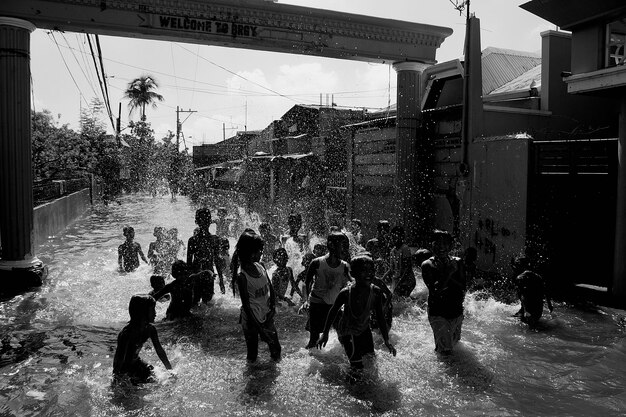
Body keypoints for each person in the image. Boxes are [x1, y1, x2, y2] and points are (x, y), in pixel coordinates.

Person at [316, 254, 396, 370]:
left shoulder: (376, 292)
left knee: (371, 361)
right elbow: (333, 311)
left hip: (364, 329)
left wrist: (387, 340)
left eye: (371, 270)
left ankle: (365, 386)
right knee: (357, 366)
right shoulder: (345, 293)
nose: (369, 273)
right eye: (364, 270)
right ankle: (350, 385)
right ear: (353, 274)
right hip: (348, 331)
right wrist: (325, 334)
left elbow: (380, 317)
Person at [233, 231, 281, 362]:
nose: (262, 253)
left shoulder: (261, 266)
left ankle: (272, 378)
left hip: (266, 314)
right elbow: (247, 306)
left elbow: (270, 288)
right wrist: (260, 329)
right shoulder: (242, 276)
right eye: (260, 250)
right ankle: (252, 381)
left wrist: (272, 307)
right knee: (253, 355)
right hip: (251, 320)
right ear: (250, 252)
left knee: (276, 349)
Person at [302, 232, 351, 349]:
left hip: (335, 305)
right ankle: (307, 362)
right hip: (317, 304)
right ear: (331, 245)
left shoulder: (345, 266)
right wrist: (306, 301)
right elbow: (306, 283)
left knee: (343, 337)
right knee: (314, 339)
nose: (346, 249)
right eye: (343, 245)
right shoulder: (317, 263)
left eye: (346, 246)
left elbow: (352, 278)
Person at [421, 230, 466, 355]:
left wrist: (449, 274)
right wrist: (448, 273)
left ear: (450, 246)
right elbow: (435, 291)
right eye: (437, 243)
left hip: (456, 312)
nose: (441, 247)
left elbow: (463, 287)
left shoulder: (458, 262)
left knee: (455, 344)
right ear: (431, 244)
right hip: (438, 313)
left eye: (445, 243)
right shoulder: (428, 265)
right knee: (445, 353)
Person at [113, 294, 172, 384]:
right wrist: (116, 379)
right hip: (125, 368)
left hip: (136, 362)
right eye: (152, 310)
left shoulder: (150, 329)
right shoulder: (127, 334)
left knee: (154, 377)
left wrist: (170, 369)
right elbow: (119, 359)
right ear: (142, 312)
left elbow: (159, 350)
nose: (155, 313)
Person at [187, 208, 225, 295]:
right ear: (197, 221)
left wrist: (221, 281)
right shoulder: (192, 240)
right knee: (196, 302)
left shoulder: (215, 239)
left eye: (206, 219)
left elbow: (217, 261)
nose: (204, 222)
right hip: (195, 275)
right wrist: (187, 281)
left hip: (209, 276)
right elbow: (188, 263)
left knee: (207, 301)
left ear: (210, 221)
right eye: (201, 220)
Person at [512, 255, 554, 327]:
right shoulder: (538, 276)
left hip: (528, 311)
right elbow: (546, 291)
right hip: (538, 311)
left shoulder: (520, 278)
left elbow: (523, 296)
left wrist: (526, 312)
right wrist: (550, 305)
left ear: (520, 266)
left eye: (516, 266)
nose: (514, 269)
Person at [385, 226, 416, 297]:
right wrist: (382, 279)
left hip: (407, 281)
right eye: (393, 237)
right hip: (398, 279)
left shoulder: (405, 248)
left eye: (396, 237)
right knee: (396, 298)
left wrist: (400, 282)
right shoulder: (392, 251)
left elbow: (407, 268)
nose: (394, 239)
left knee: (400, 298)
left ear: (402, 237)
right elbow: (391, 269)